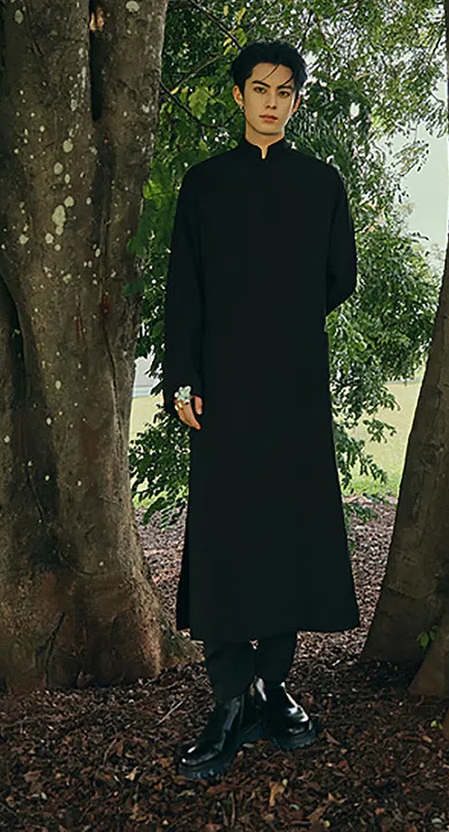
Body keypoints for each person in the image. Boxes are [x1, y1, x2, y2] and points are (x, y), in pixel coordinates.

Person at [162, 40, 360, 781]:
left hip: (296, 390)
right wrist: (183, 377)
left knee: (286, 533)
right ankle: (228, 700)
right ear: (239, 96)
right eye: (260, 89)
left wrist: (284, 328)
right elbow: (184, 289)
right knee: (224, 537)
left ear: (297, 101)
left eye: (285, 91)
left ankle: (275, 687)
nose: (272, 102)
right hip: (220, 393)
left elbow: (340, 276)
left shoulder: (321, 184)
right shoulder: (204, 185)